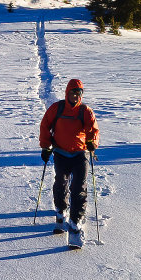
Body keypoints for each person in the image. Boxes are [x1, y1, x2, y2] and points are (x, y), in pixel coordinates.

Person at [39, 78, 99, 237]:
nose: (75, 95)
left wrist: (92, 143)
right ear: (67, 92)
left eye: (78, 93)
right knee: (61, 182)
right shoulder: (57, 108)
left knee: (79, 186)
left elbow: (93, 130)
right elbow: (45, 125)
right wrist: (46, 146)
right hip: (61, 153)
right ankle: (61, 210)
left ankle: (76, 218)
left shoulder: (85, 111)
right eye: (73, 92)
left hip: (80, 153)